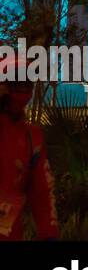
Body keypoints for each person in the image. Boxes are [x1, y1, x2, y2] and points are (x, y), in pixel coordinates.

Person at [0, 62, 59, 240]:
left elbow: (42, 191)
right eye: (16, 82)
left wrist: (49, 233)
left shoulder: (32, 137)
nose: (23, 88)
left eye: (26, 83)